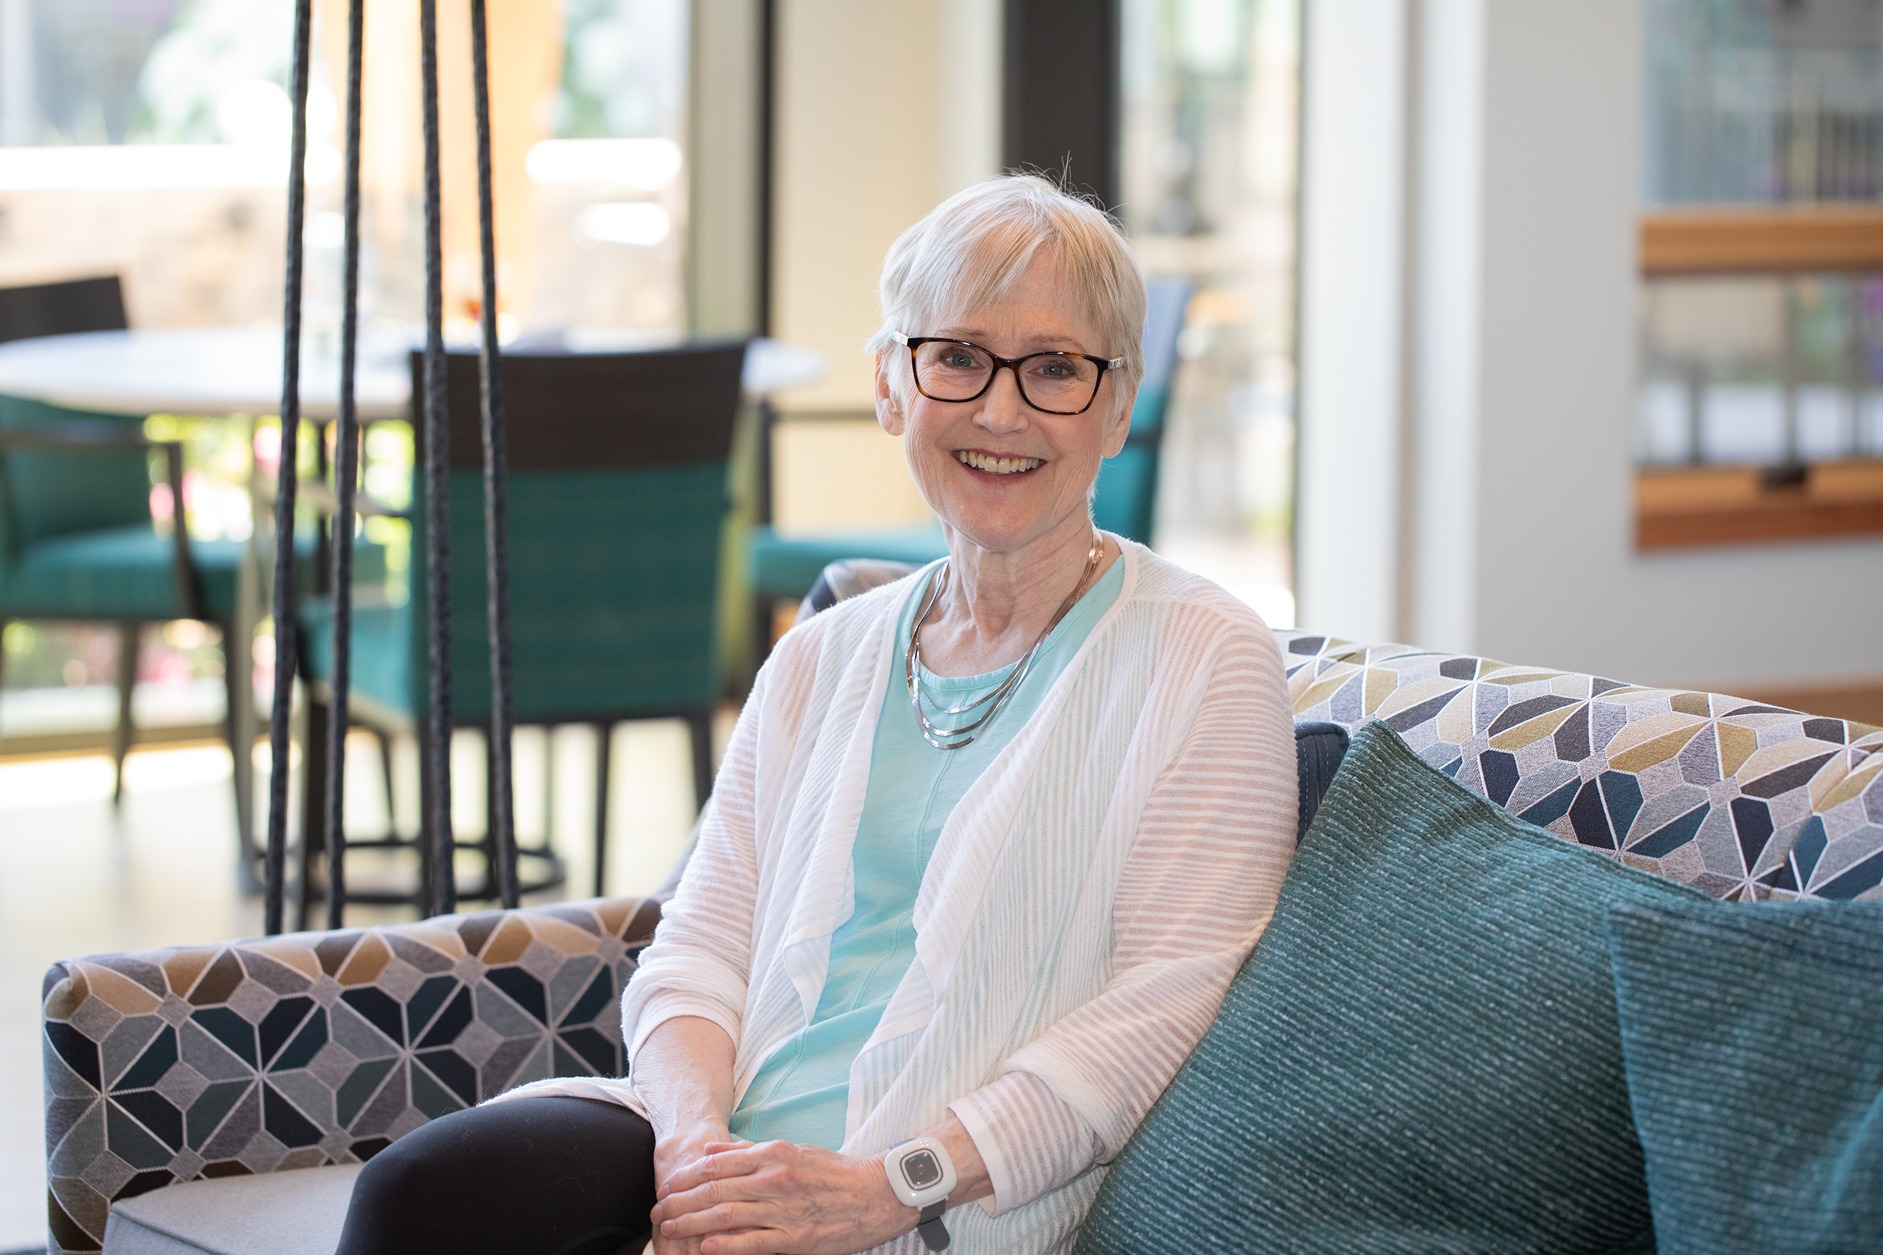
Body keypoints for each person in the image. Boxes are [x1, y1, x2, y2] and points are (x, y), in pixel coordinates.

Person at [335, 173, 1297, 1255]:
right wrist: (694, 1153)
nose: (1000, 409)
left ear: (1117, 406)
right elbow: (696, 949)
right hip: (723, 1150)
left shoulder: (1203, 657)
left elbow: (1159, 1016)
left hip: (936, 1197)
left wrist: (888, 1186)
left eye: (1056, 368)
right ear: (891, 384)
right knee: (419, 1195)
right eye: (957, 356)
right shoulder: (822, 652)